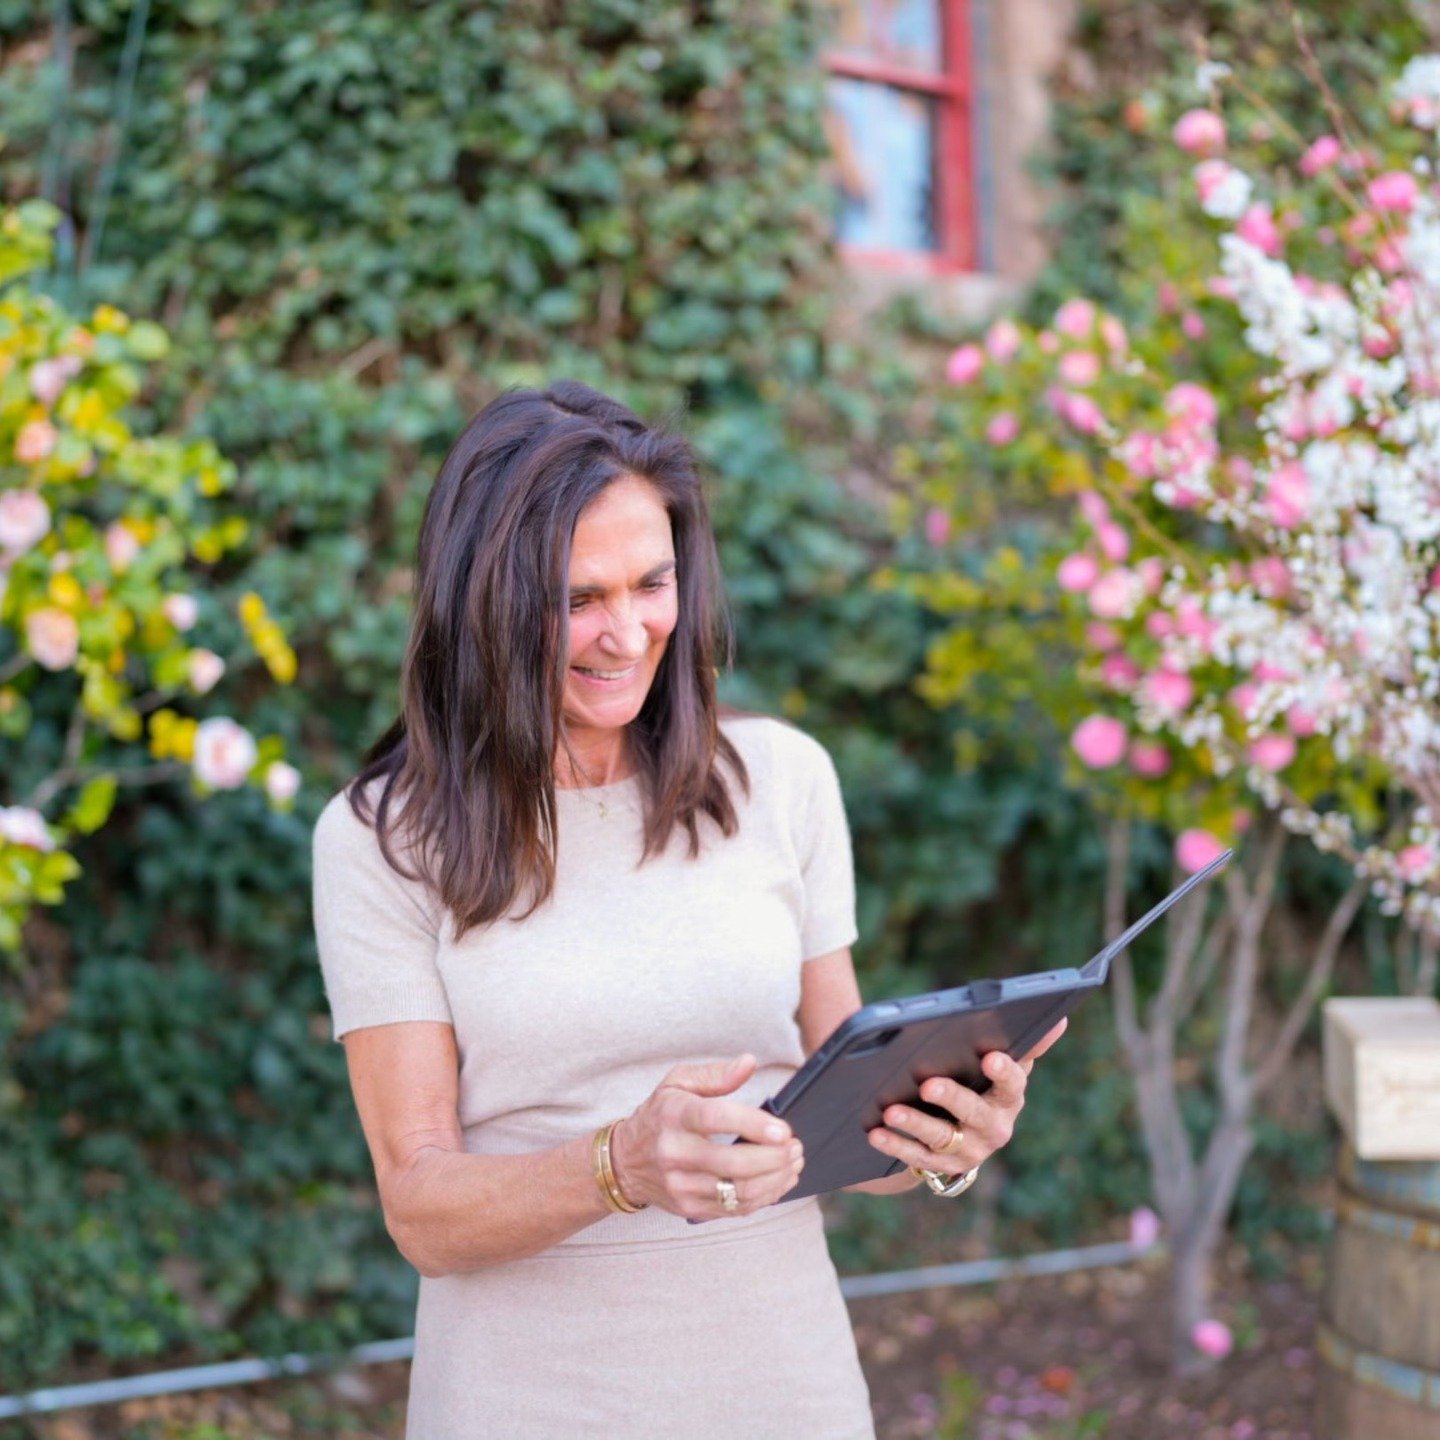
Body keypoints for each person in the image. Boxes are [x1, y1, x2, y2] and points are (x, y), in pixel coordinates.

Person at [311, 380, 1064, 1439]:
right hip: (527, 1400)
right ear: (482, 603)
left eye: (651, 583)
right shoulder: (383, 841)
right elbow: (421, 1208)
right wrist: (620, 1166)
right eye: (578, 600)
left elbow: (841, 1112)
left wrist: (943, 1138)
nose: (628, 634)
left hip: (786, 1385)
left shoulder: (783, 780)